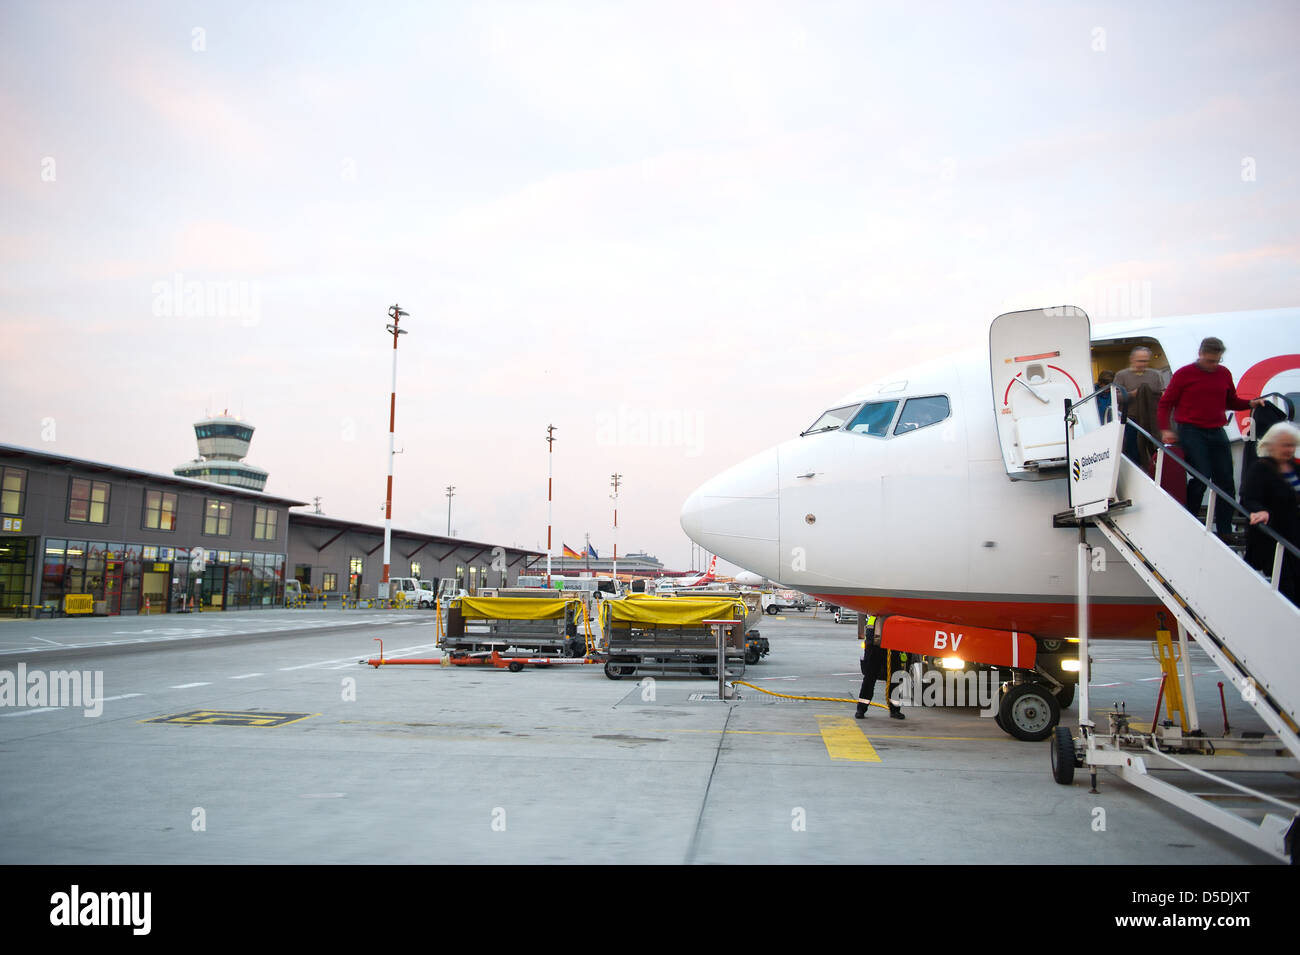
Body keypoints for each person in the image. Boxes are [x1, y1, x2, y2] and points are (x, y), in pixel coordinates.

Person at [1157, 337, 1265, 540]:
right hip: (1191, 430)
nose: (1213, 365)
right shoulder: (1184, 374)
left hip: (1216, 429)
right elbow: (1166, 403)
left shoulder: (1223, 373)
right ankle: (1189, 518)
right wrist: (1166, 429)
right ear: (1200, 354)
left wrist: (1251, 403)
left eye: (1217, 361)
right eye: (1210, 361)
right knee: (1201, 475)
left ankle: (1225, 529)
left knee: (1226, 480)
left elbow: (1230, 400)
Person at [1239, 421, 1300, 605]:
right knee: (1287, 587)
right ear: (1272, 445)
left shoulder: (1295, 468)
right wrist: (1260, 511)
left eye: (1292, 445)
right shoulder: (1261, 468)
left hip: (1295, 534)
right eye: (1285, 445)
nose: (1289, 449)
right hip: (1275, 537)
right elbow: (1248, 498)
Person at [1115, 347, 1165, 467]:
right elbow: (1115, 397)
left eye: (1145, 361)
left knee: (1154, 449)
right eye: (1140, 361)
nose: (1143, 364)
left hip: (1151, 420)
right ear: (1132, 359)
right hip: (1131, 420)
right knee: (1134, 450)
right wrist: (1132, 394)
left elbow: (1163, 393)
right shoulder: (1122, 375)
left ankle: (1153, 474)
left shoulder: (1155, 375)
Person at [855, 626, 905, 720]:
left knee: (894, 679)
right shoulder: (875, 614)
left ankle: (895, 710)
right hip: (874, 646)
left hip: (892, 646)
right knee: (869, 679)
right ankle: (861, 709)